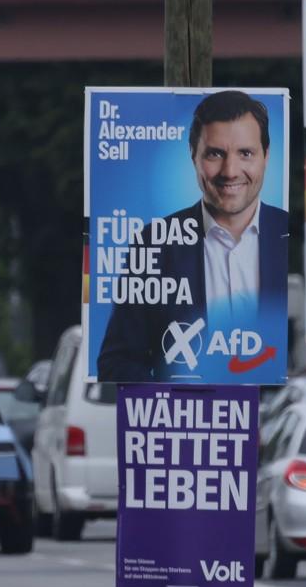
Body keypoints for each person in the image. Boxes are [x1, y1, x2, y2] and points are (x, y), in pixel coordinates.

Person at [97, 90, 289, 381]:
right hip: (189, 422)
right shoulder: (156, 242)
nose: (230, 171)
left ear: (266, 157)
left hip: (274, 421)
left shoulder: (293, 237)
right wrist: (178, 402)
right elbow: (117, 363)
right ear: (193, 157)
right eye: (215, 154)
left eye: (245, 153)